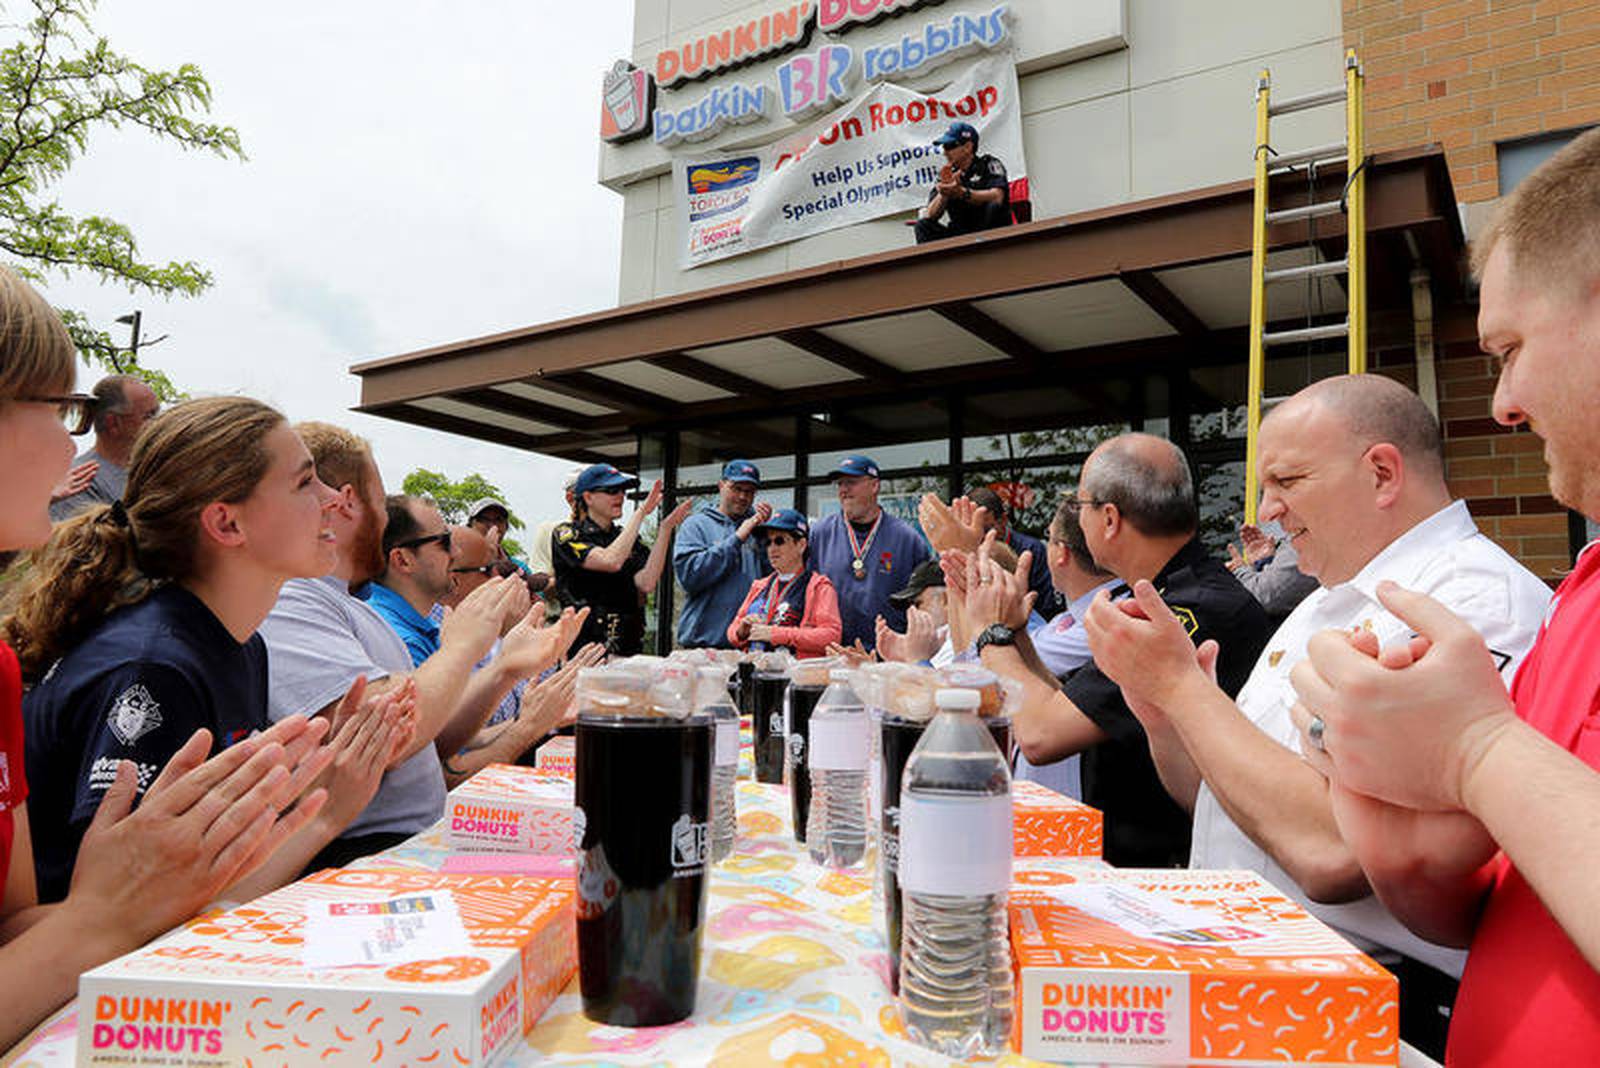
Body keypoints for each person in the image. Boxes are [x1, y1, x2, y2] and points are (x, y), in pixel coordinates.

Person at [1082, 376, 1551, 1058]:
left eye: (1287, 480)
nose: (1266, 510)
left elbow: (1335, 851)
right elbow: (1222, 800)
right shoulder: (1322, 602)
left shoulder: (1468, 603)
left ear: (1382, 473)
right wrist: (1163, 713)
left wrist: (1184, 691)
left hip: (1362, 1013)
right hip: (1263, 990)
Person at [1285, 128, 1600, 1065]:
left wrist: (1474, 750)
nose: (1503, 403)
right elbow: (1498, 906)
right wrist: (1404, 847)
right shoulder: (1582, 590)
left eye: (1508, 349)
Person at [0, 266, 341, 1047]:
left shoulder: (231, 647)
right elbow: (120, 914)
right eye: (59, 409)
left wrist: (327, 806)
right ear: (226, 523)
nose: (73, 441)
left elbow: (37, 919)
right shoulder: (150, 668)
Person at [12, 396, 413, 904]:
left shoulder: (242, 647)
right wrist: (328, 809)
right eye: (304, 482)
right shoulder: (154, 669)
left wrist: (312, 781)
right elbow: (138, 915)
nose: (333, 498)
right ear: (227, 525)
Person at [258, 423, 582, 870]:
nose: (384, 519)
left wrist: (502, 668)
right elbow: (391, 739)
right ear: (348, 502)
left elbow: (431, 740)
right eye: (379, 499)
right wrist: (467, 648)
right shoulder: (292, 598)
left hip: (410, 844)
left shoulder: (347, 605)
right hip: (370, 856)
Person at [961, 433, 1274, 866]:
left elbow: (1040, 735)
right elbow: (1071, 704)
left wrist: (988, 632)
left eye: (1081, 505)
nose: (1076, 520)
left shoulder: (1180, 611)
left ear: (1109, 519)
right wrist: (1014, 632)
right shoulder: (1168, 592)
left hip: (1170, 870)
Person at [435, 523, 604, 784]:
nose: (511, 578)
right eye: (492, 570)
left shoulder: (491, 628)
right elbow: (449, 761)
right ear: (452, 579)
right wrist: (531, 721)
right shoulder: (437, 637)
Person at [553, 464, 691, 656]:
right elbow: (611, 561)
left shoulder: (626, 538)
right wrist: (641, 513)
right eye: (611, 490)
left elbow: (647, 581)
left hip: (627, 646)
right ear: (588, 497)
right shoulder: (567, 534)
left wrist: (665, 530)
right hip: (584, 650)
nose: (620, 496)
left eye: (622, 490)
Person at [808, 455, 930, 651]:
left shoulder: (907, 538)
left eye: (851, 482)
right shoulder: (819, 534)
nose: (844, 490)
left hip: (888, 657)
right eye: (840, 484)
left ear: (874, 486)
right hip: (833, 653)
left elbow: (926, 601)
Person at [674, 460, 772, 648]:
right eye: (736, 488)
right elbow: (689, 577)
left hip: (748, 646)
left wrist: (770, 534)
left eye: (749, 491)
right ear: (721, 486)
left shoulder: (757, 530)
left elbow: (773, 582)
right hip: (704, 648)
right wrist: (737, 539)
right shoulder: (696, 525)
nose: (743, 496)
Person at [727, 509, 841, 658]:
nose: (772, 548)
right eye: (768, 542)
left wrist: (776, 634)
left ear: (801, 545)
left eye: (779, 541)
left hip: (796, 677)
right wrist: (741, 632)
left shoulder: (819, 586)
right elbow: (732, 631)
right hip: (756, 673)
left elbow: (831, 636)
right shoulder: (760, 585)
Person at [47, 374, 161, 521]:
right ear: (113, 423)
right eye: (149, 416)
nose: (158, 423)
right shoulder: (79, 480)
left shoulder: (152, 472)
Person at [965, 486, 1063, 619]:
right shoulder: (967, 549)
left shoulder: (1032, 550)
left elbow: (1046, 605)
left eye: (986, 529)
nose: (979, 536)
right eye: (972, 528)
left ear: (1003, 520)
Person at [913, 121, 1011, 245]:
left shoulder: (988, 164)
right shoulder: (947, 173)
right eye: (944, 147)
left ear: (968, 147)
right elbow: (931, 214)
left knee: (995, 207)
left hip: (989, 230)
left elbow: (997, 196)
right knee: (922, 226)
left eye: (949, 146)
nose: (945, 152)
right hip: (960, 235)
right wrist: (944, 193)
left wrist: (962, 193)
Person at [1227, 521, 1319, 622]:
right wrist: (1263, 563)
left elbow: (1262, 598)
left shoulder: (1314, 536)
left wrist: (1238, 572)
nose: (1264, 514)